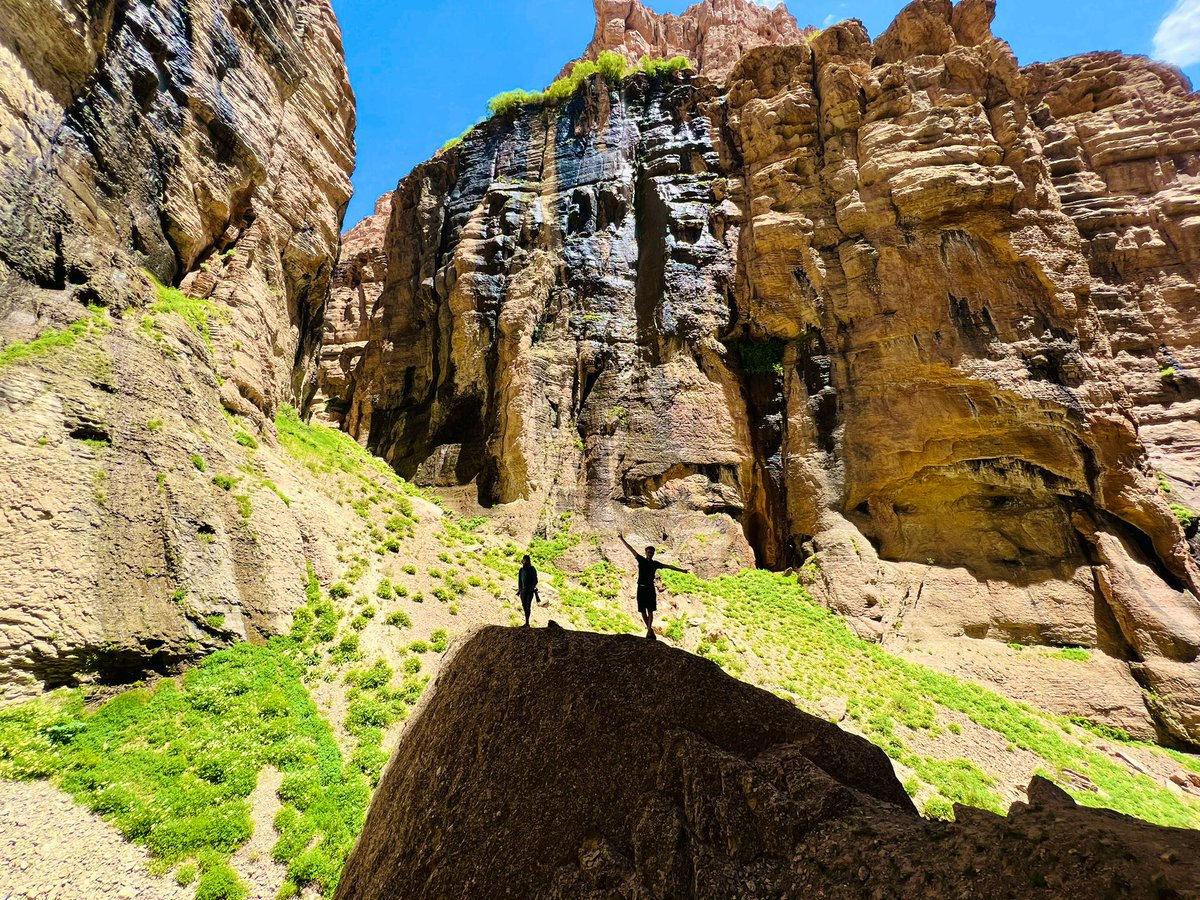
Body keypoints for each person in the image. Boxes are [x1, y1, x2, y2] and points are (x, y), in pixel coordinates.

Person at [619, 533, 688, 639]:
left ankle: (648, 632)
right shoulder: (641, 560)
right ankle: (650, 630)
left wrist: (681, 570)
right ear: (646, 553)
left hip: (649, 588)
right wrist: (622, 539)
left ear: (653, 554)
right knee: (642, 611)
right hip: (641, 587)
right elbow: (631, 549)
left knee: (650, 610)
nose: (650, 554)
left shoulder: (655, 563)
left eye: (651, 553)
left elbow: (669, 566)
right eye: (648, 552)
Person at [516, 554, 540, 627]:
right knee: (524, 605)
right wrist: (519, 590)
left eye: (527, 560)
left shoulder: (532, 569)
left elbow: (535, 580)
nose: (526, 561)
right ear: (523, 561)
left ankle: (527, 623)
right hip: (523, 591)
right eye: (525, 560)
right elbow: (520, 581)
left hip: (529, 591)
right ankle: (526, 622)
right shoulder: (521, 570)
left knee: (528, 606)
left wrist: (531, 587)